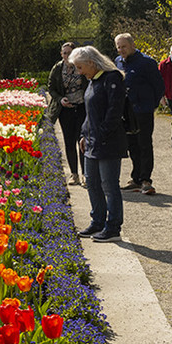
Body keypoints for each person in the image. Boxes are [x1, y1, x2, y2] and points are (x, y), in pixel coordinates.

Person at [70, 44, 127, 241]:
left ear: (91, 63)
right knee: (92, 183)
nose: (79, 72)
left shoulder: (112, 78)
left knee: (109, 186)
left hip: (108, 142)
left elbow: (114, 111)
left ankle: (113, 228)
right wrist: (84, 135)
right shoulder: (92, 80)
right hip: (92, 141)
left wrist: (101, 134)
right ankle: (98, 222)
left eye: (80, 67)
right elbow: (89, 113)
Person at [114, 33, 165, 195]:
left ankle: (146, 180)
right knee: (132, 144)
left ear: (132, 45)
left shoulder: (147, 62)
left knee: (144, 144)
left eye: (124, 46)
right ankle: (135, 178)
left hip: (143, 110)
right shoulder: (117, 62)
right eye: (118, 47)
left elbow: (159, 87)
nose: (121, 50)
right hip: (126, 111)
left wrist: (151, 105)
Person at [47, 41, 87, 185]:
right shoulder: (57, 68)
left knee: (83, 141)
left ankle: (85, 175)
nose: (67, 55)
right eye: (64, 53)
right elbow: (51, 88)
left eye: (69, 53)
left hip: (81, 107)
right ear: (61, 54)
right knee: (69, 142)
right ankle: (74, 174)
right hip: (65, 110)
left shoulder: (82, 66)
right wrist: (60, 99)